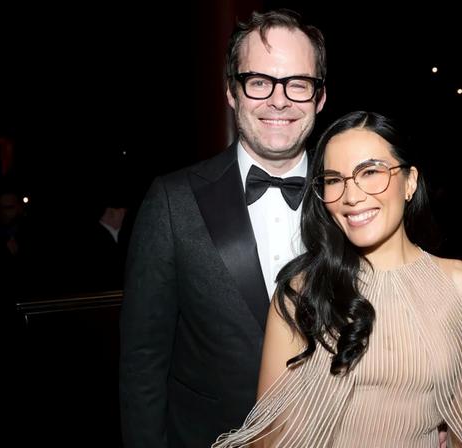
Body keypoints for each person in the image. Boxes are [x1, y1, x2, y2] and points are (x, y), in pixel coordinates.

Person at [214, 111, 462, 447]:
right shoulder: (301, 292)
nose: (351, 196)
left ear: (410, 182)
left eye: (370, 172)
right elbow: (268, 437)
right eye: (334, 179)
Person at [118, 9, 327, 447]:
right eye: (258, 81)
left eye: (298, 84)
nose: (279, 99)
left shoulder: (352, 200)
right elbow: (142, 362)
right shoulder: (173, 201)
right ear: (232, 91)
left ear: (319, 98)